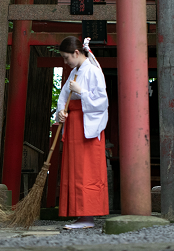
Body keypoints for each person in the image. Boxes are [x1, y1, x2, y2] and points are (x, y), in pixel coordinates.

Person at [57, 36, 109, 229]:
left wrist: (82, 92)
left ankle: (87, 217)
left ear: (76, 53)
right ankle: (81, 215)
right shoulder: (75, 71)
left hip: (86, 126)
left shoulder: (94, 71)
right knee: (75, 169)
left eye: (66, 57)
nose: (65, 62)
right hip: (75, 124)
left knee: (86, 170)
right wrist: (62, 111)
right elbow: (64, 96)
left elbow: (102, 102)